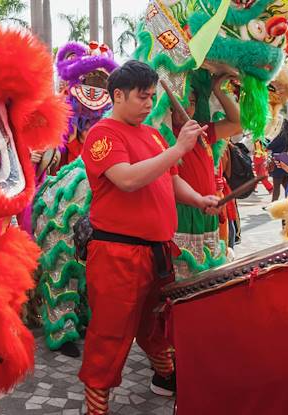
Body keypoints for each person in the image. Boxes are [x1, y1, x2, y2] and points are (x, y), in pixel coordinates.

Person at [78, 60, 219, 414]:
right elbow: (126, 179)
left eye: (152, 96)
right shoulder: (103, 134)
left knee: (156, 323)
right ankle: (97, 405)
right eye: (142, 97)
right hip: (117, 253)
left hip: (157, 251)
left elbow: (170, 180)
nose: (148, 103)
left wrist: (199, 199)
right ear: (118, 95)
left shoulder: (153, 135)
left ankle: (165, 376)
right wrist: (178, 149)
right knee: (110, 331)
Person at [169, 74, 242, 279]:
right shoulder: (164, 133)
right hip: (181, 215)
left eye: (192, 102)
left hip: (208, 211)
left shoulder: (202, 131)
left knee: (209, 275)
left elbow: (237, 123)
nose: (188, 108)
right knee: (184, 278)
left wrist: (218, 89)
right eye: (182, 101)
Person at [267, 119, 288, 202]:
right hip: (284, 158)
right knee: (285, 184)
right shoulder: (286, 135)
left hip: (278, 160)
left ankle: (273, 205)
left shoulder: (280, 136)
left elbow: (269, 146)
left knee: (277, 185)